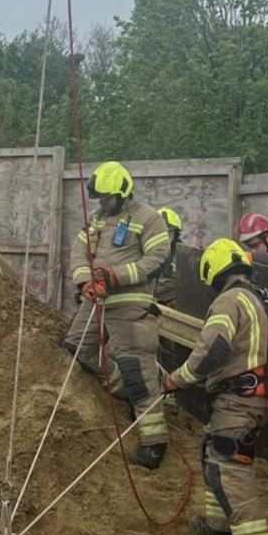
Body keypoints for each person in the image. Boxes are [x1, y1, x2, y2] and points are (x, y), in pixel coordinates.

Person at [164, 240, 268, 535]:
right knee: (213, 453)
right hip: (259, 397)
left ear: (213, 274)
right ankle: (219, 528)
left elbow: (211, 351)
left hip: (238, 400)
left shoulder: (229, 302)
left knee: (230, 471)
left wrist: (176, 379)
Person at [64, 161, 171, 469]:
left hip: (130, 305)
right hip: (97, 301)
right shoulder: (96, 220)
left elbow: (157, 258)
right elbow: (78, 252)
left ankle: (154, 444)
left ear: (123, 194)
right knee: (75, 349)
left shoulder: (147, 219)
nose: (102, 203)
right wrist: (84, 280)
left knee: (136, 369)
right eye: (99, 198)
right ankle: (121, 387)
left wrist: (116, 275)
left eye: (107, 198)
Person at [151, 207, 184, 307]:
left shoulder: (182, 256)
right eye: (161, 232)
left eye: (169, 232)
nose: (165, 236)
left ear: (176, 233)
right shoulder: (144, 253)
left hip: (172, 304)